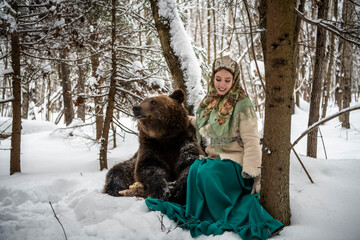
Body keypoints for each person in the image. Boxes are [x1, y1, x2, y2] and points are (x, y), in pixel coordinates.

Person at [146, 56, 283, 240]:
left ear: (234, 81)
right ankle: (200, 214)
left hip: (236, 164)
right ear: (212, 78)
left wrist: (254, 175)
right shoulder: (211, 102)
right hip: (216, 160)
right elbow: (205, 125)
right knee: (195, 169)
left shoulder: (243, 105)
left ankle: (222, 215)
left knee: (207, 173)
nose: (222, 85)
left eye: (227, 80)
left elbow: (251, 141)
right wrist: (184, 120)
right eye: (218, 79)